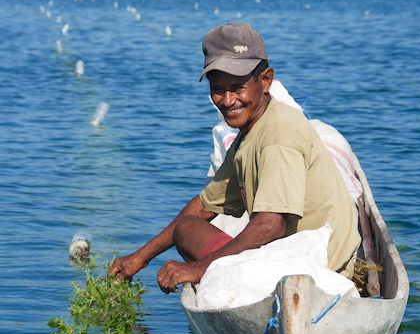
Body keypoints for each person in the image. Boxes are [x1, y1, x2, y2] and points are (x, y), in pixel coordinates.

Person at [109, 22, 361, 293]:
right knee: (187, 228)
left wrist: (196, 268)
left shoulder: (278, 134)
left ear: (265, 81)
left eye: (238, 87)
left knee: (212, 243)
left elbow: (270, 226)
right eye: (217, 89)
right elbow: (203, 207)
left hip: (318, 271)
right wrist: (140, 257)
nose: (227, 100)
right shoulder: (249, 135)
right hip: (288, 257)